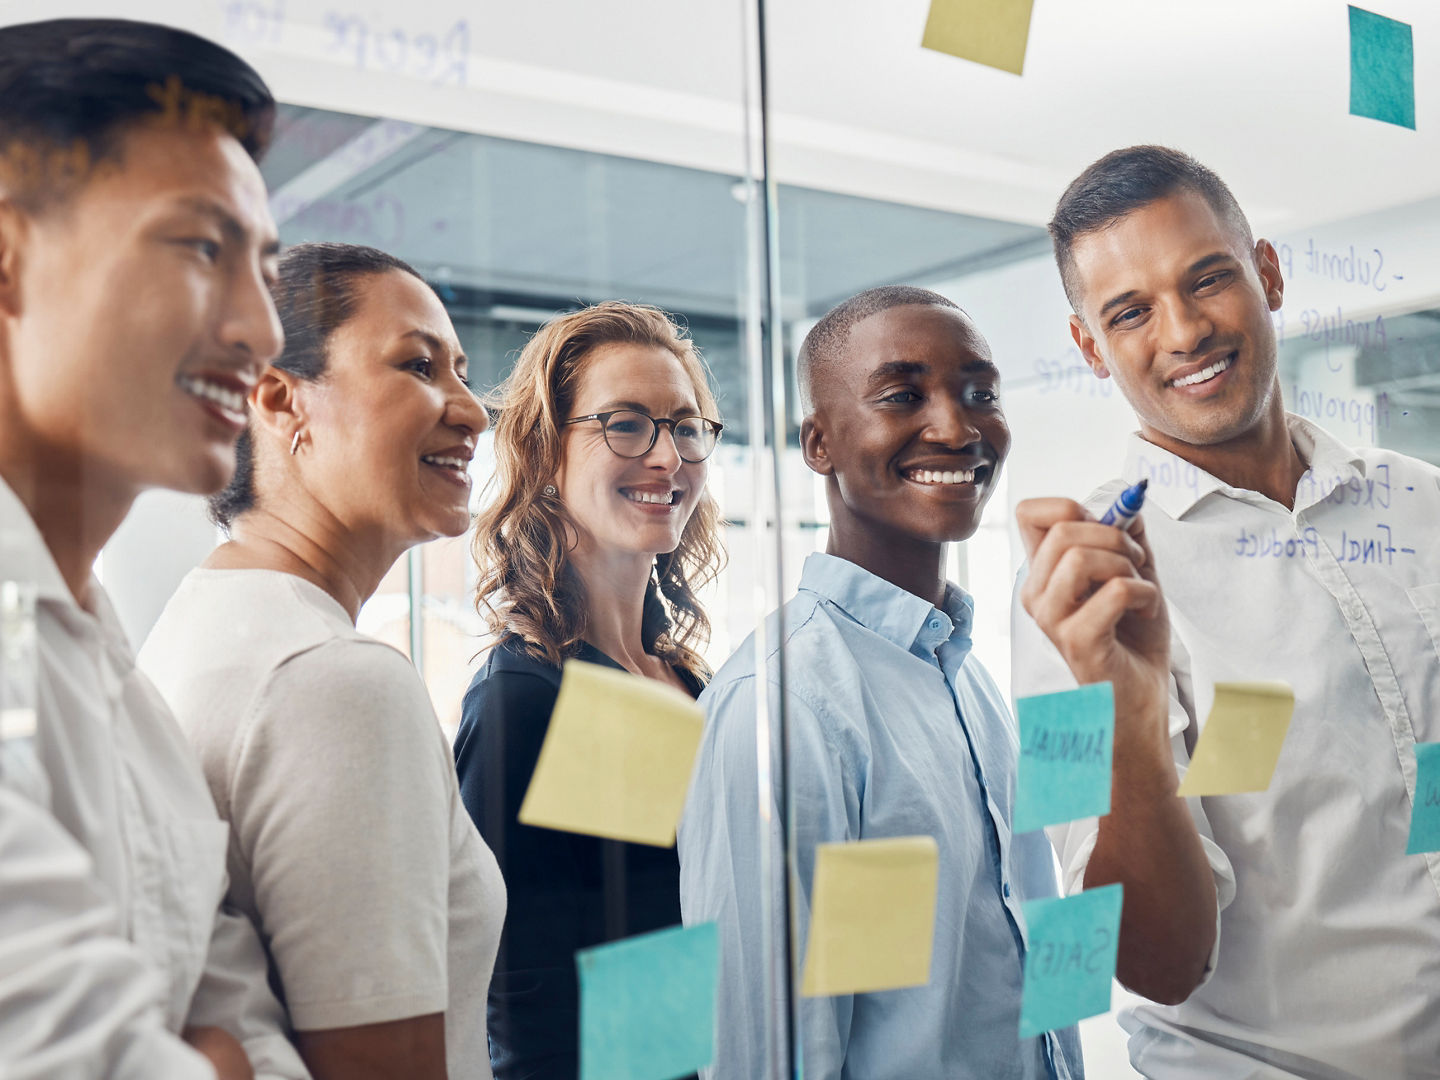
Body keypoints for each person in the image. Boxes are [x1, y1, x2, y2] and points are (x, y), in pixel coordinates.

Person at [1012, 145, 1440, 1078]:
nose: (1184, 331)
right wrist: (1122, 712)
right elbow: (1146, 961)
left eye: (1208, 279)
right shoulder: (1063, 601)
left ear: (1269, 274)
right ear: (1092, 347)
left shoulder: (1423, 503)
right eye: (1130, 312)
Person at [0, 17, 311, 1080]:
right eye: (199, 246)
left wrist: (213, 1056)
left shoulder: (101, 656)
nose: (261, 329)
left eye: (262, 266)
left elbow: (242, 1020)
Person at [679, 286, 1083, 1079]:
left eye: (980, 393)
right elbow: (766, 1058)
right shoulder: (783, 703)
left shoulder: (967, 678)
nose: (957, 427)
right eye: (903, 396)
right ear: (819, 444)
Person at [140, 243, 505, 1080]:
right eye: (418, 365)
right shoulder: (336, 680)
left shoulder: (210, 618)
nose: (472, 411)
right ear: (279, 400)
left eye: (459, 369)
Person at [454, 301, 724, 1080]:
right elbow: (524, 1012)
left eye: (685, 426)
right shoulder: (528, 699)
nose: (668, 457)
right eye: (627, 424)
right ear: (545, 455)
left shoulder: (692, 679)